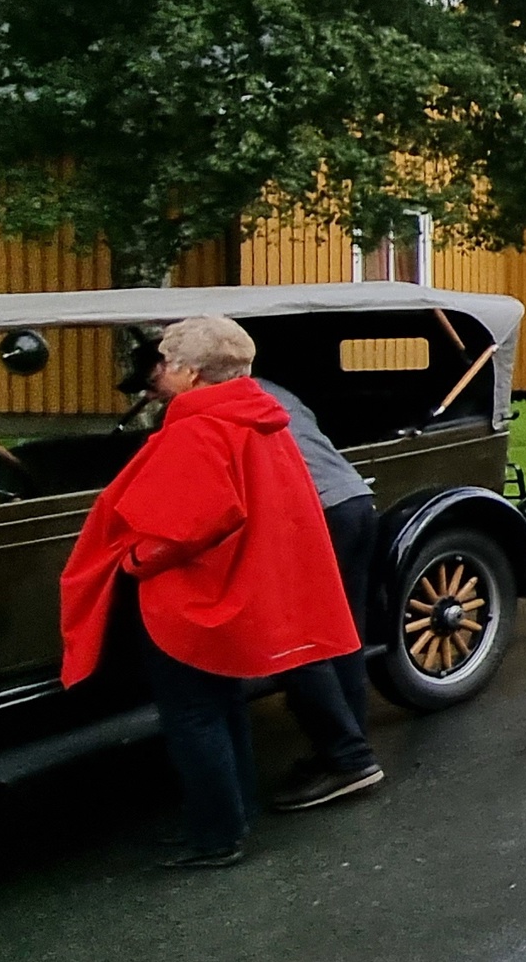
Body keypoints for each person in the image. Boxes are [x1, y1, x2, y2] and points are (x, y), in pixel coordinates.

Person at [60, 316, 358, 869]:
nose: (163, 371)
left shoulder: (197, 426)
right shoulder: (261, 416)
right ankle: (230, 818)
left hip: (193, 595)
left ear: (192, 373)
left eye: (168, 363)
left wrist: (136, 559)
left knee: (194, 714)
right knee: (222, 705)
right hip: (236, 581)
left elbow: (197, 520)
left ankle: (217, 835)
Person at [253, 375, 387, 809]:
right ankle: (350, 745)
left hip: (317, 510)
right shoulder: (271, 389)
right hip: (353, 498)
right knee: (344, 633)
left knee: (299, 638)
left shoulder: (224, 405)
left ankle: (347, 758)